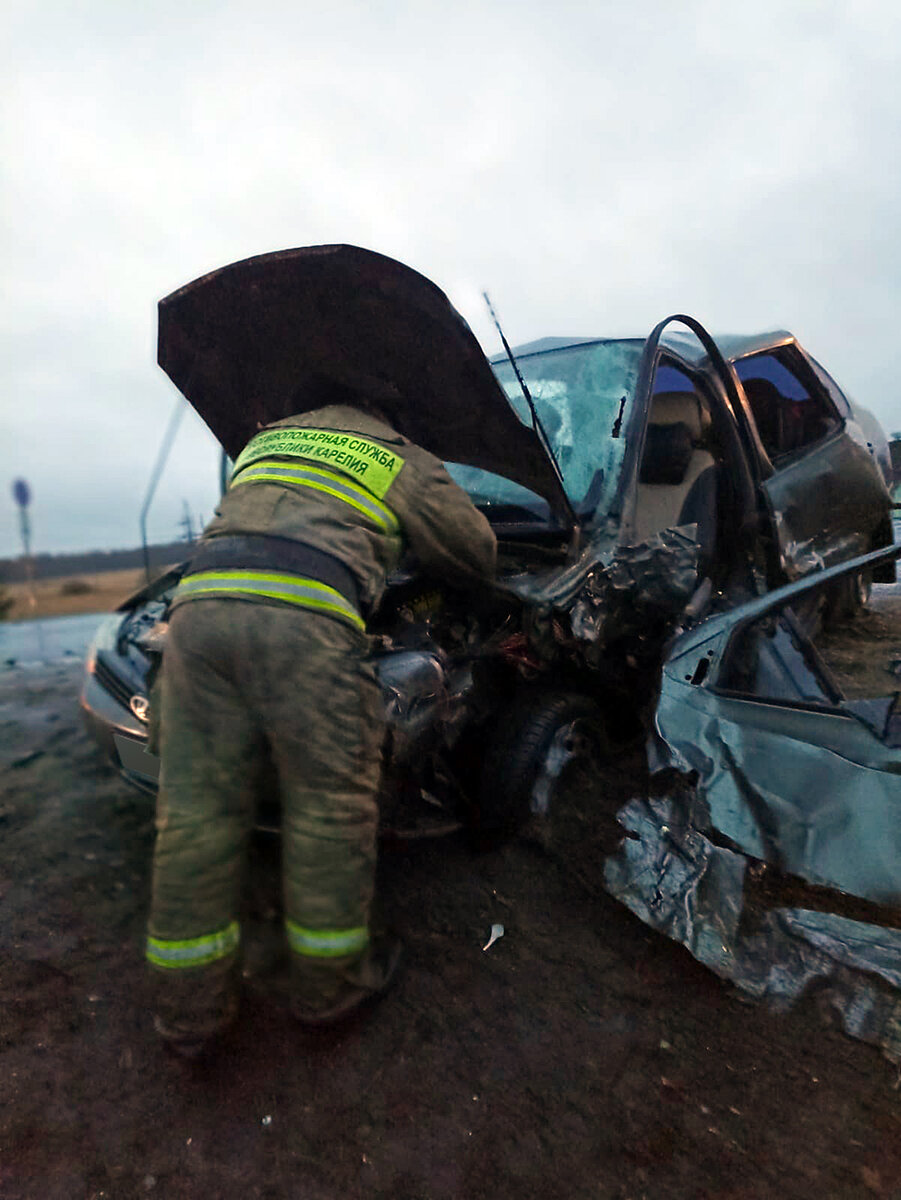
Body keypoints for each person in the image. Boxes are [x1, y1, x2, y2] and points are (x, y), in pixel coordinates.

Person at [146, 387, 497, 1054]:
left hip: (196, 621)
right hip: (302, 627)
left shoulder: (265, 442)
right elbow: (475, 554)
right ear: (393, 412)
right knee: (327, 807)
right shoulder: (398, 457)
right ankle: (328, 989)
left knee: (194, 812)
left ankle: (188, 1013)